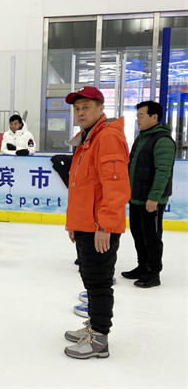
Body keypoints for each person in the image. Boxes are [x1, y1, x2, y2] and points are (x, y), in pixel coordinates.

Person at [62, 86, 130, 359]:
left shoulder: (108, 136)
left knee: (99, 283)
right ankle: (94, 326)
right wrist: (74, 224)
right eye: (77, 108)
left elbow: (115, 186)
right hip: (86, 224)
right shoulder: (88, 137)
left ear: (101, 108)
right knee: (90, 279)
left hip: (99, 227)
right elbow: (82, 186)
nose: (80, 112)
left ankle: (99, 339)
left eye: (86, 107)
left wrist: (105, 226)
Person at [122, 101, 175, 288]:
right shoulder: (142, 138)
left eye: (141, 115)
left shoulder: (163, 140)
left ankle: (153, 273)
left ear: (154, 117)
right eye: (137, 115)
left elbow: (163, 172)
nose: (137, 119)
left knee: (152, 237)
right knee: (138, 234)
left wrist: (154, 197)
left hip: (151, 200)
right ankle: (142, 266)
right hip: (137, 197)